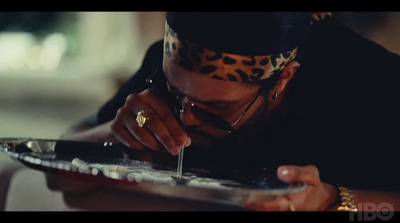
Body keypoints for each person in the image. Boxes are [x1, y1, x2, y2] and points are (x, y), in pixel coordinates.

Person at [55, 12, 400, 211]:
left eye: (216, 107)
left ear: (283, 78)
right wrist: (130, 128)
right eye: (177, 95)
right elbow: (59, 167)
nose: (186, 117)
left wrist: (334, 202)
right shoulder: (166, 66)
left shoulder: (371, 85)